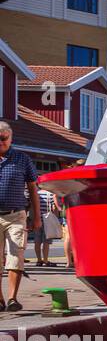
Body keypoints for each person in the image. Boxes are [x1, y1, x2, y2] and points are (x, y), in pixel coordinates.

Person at [0, 121, 41, 311]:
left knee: (16, 255)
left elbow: (33, 189)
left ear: (10, 138)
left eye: (3, 139)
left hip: (16, 214)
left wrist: (36, 216)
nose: (0, 142)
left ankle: (12, 299)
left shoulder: (22, 159)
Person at [34, 188, 58, 266]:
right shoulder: (50, 194)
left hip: (37, 219)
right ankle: (45, 260)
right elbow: (53, 208)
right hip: (47, 220)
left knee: (37, 241)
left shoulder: (36, 193)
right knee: (46, 242)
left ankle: (39, 260)